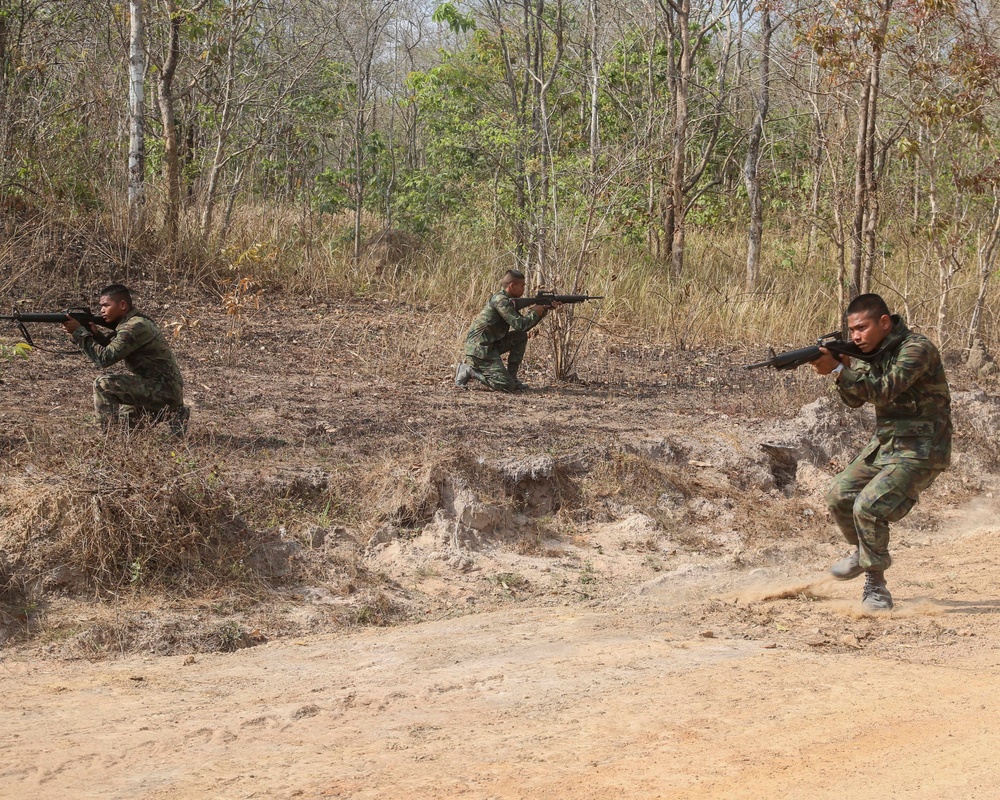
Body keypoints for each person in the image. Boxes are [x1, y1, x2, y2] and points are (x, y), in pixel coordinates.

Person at [812, 293, 951, 611]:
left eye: (862, 328)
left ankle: (876, 587)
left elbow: (884, 389)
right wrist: (844, 368)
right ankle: (864, 553)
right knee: (838, 494)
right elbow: (856, 400)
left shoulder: (917, 349)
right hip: (888, 444)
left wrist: (837, 371)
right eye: (852, 332)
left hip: (924, 447)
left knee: (868, 507)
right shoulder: (867, 353)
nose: (856, 337)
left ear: (884, 322)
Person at [62, 283, 188, 434]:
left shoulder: (133, 327)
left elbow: (104, 359)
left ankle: (110, 438)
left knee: (102, 384)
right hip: (160, 387)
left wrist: (79, 333)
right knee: (127, 428)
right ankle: (174, 414)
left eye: (106, 305)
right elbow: (116, 350)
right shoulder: (135, 322)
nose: (102, 310)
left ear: (122, 304)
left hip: (163, 390)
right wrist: (95, 335)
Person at [455, 269, 561, 392]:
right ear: (512, 286)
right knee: (506, 386)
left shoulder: (507, 300)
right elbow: (520, 324)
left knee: (520, 336)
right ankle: (469, 371)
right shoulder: (501, 301)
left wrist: (543, 310)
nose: (523, 289)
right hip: (479, 349)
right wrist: (535, 312)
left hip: (490, 345)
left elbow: (523, 327)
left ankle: (513, 377)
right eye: (522, 286)